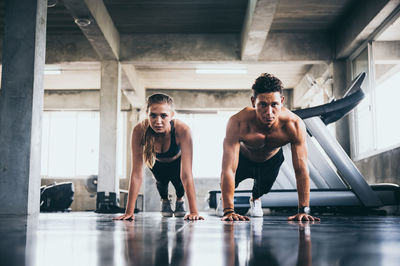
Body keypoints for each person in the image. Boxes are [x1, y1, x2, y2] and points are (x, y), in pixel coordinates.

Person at [220, 73, 320, 222]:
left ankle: (255, 199)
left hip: (271, 160)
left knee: (263, 188)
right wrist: (229, 211)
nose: (269, 112)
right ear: (254, 102)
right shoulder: (238, 123)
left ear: (282, 101)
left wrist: (303, 210)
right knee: (229, 181)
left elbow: (301, 169)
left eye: (274, 104)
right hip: (243, 158)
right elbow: (228, 169)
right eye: (263, 105)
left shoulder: (294, 125)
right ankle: (225, 203)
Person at [114, 93, 203, 221]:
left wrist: (194, 211)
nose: (158, 121)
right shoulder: (139, 130)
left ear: (172, 115)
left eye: (163, 116)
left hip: (176, 162)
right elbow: (136, 174)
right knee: (161, 183)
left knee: (179, 184)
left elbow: (187, 175)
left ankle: (179, 200)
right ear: (147, 114)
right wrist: (129, 212)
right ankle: (165, 200)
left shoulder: (182, 130)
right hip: (157, 163)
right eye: (153, 115)